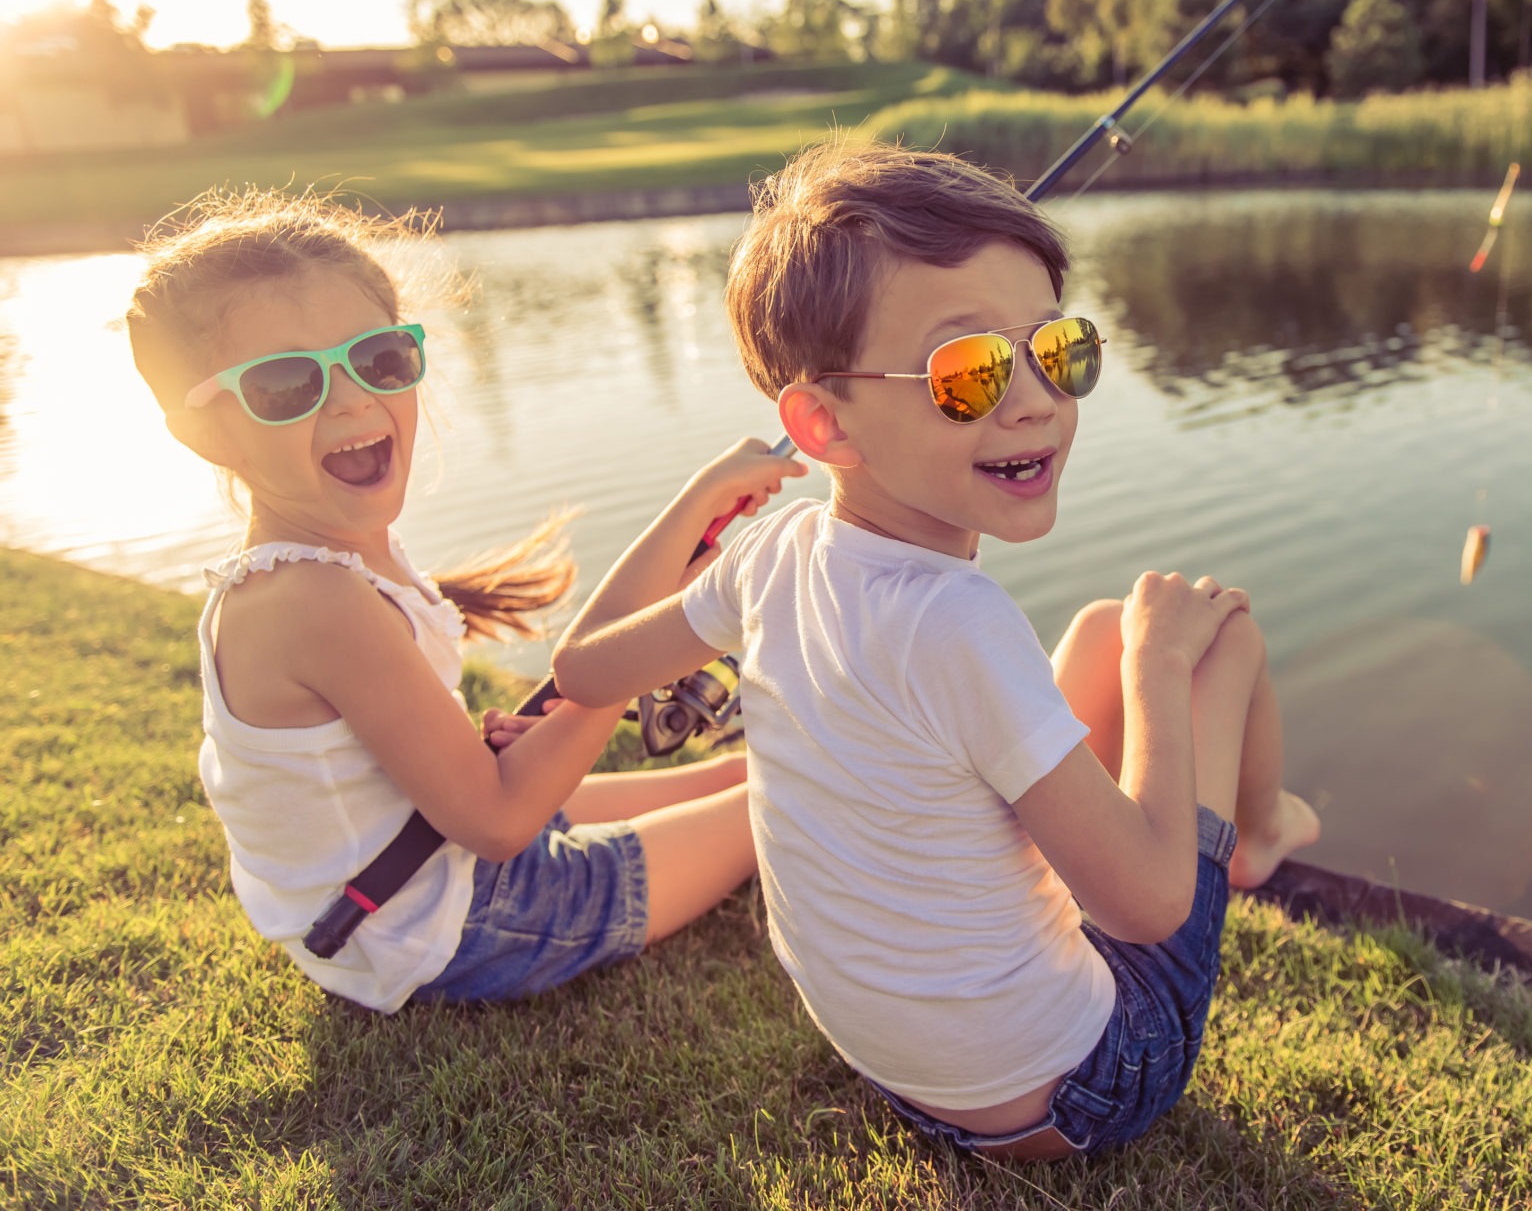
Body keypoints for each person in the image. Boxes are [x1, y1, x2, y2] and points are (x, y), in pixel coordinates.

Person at [552, 142, 1320, 1158]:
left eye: (1055, 347)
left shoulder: (766, 555)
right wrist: (1155, 666)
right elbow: (1142, 906)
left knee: (1093, 625)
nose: (1037, 398)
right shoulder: (956, 622)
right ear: (822, 422)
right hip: (1072, 1090)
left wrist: (696, 505)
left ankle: (1246, 819)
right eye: (969, 372)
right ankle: (1257, 832)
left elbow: (580, 670)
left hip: (895, 1065)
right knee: (1215, 636)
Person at [126, 190, 797, 1012]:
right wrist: (617, 677)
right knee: (791, 795)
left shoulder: (336, 557)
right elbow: (503, 818)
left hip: (424, 865)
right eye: (284, 383)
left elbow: (555, 692)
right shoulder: (311, 599)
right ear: (203, 430)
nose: (348, 400)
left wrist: (697, 500)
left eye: (376, 359)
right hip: (454, 925)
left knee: (754, 768)